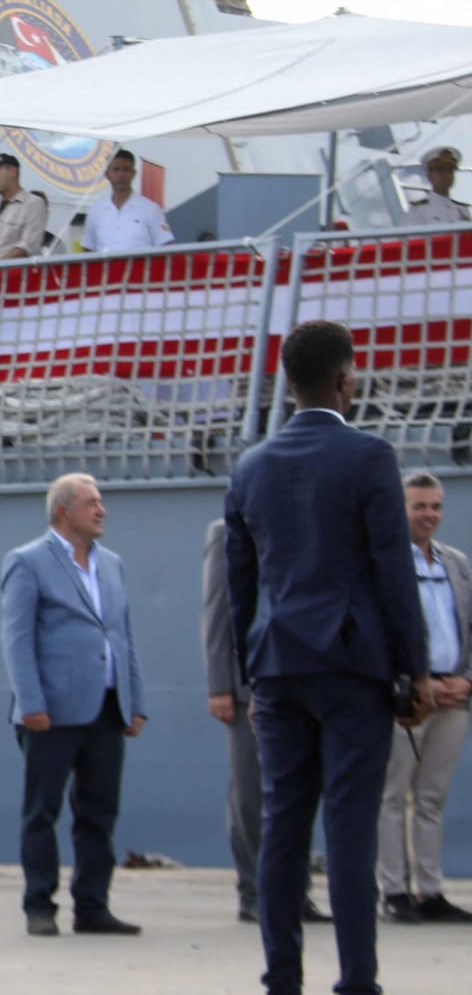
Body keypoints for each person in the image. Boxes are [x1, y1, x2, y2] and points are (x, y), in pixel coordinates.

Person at [223, 319, 434, 995]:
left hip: (277, 665)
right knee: (349, 827)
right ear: (345, 379)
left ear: (287, 382)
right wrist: (415, 669)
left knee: (283, 825)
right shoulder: (369, 456)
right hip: (351, 665)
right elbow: (392, 570)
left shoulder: (250, 466)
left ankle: (282, 978)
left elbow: (239, 585)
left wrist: (250, 676)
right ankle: (356, 982)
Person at [0, 473, 147, 938]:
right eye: (92, 502)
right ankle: (39, 905)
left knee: (99, 813)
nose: (102, 510)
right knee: (41, 813)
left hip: (107, 708)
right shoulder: (27, 561)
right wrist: (30, 702)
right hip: (50, 712)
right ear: (63, 511)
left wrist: (135, 701)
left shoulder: (112, 564)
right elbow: (17, 638)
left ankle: (92, 906)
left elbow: (123, 637)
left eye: (101, 502)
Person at [201, 519, 332, 926]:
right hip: (247, 686)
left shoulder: (302, 526)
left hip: (297, 678)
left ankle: (293, 892)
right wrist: (220, 685)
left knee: (296, 793)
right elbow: (218, 610)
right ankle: (255, 892)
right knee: (251, 793)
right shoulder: (228, 532)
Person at [377, 471, 472, 924]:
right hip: (405, 699)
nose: (429, 514)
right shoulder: (383, 562)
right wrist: (416, 683)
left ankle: (430, 891)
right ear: (400, 510)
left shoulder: (456, 562)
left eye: (435, 506)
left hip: (454, 697)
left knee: (432, 796)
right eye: (419, 506)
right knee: (392, 795)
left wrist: (466, 680)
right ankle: (394, 890)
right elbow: (379, 631)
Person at [82, 150, 174, 253]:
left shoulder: (151, 209)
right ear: (107, 175)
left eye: (126, 170)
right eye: (116, 170)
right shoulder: (95, 212)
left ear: (133, 174)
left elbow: (166, 245)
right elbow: (88, 249)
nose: (121, 175)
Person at [403, 145, 470, 226]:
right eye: (440, 171)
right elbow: (411, 233)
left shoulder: (462, 209)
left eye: (450, 171)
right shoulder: (419, 209)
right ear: (429, 176)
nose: (446, 175)